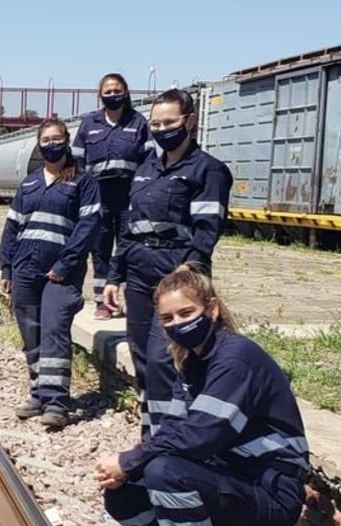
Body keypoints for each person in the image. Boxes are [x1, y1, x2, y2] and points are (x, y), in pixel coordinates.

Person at [93, 263, 310, 526]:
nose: (178, 323)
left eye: (187, 313)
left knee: (165, 474)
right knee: (125, 494)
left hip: (271, 490)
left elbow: (201, 436)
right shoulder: (194, 363)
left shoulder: (235, 359)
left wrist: (130, 459)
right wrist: (128, 470)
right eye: (168, 317)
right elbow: (175, 429)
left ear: (211, 309)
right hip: (233, 480)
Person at [102, 88, 233, 440]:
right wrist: (114, 277)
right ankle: (154, 433)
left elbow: (207, 231)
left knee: (165, 359)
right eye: (155, 123)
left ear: (189, 121)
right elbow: (129, 228)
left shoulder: (209, 171)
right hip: (140, 276)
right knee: (143, 357)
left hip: (177, 279)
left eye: (169, 122)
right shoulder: (146, 169)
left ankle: (170, 438)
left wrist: (187, 273)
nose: (161, 129)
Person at [0, 118, 102, 429]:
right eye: (46, 140)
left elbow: (88, 227)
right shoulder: (29, 183)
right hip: (25, 269)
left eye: (57, 139)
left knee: (54, 331)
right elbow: (12, 227)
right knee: (32, 335)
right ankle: (38, 395)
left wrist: (64, 265)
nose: (52, 144)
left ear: (67, 141)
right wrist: (6, 266)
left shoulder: (83, 182)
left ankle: (57, 402)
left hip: (61, 273)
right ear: (38, 144)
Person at [72, 73, 151, 320]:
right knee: (100, 248)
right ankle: (102, 302)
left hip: (129, 195)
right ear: (100, 95)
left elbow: (149, 161)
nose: (112, 95)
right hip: (98, 195)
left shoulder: (138, 122)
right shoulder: (89, 124)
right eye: (107, 91)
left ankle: (124, 298)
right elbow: (77, 161)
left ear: (126, 92)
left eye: (117, 90)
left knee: (128, 247)